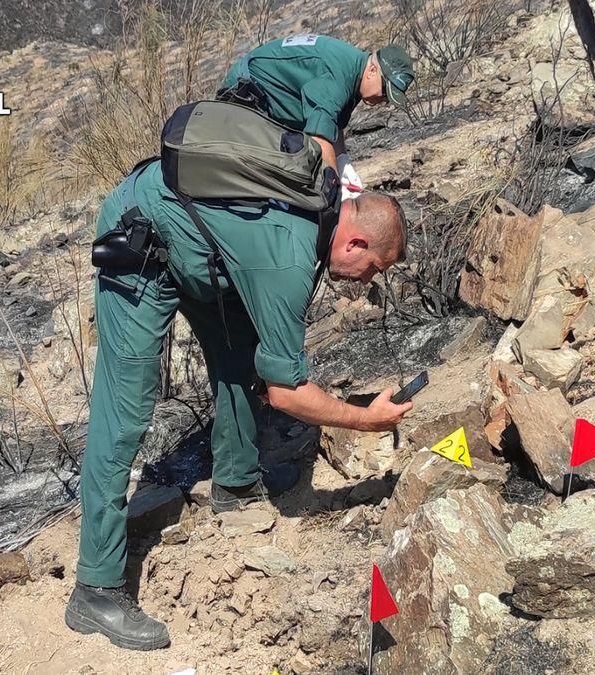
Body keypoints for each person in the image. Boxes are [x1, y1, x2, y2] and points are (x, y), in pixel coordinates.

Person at [64, 159, 413, 651]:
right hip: (141, 234)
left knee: (241, 349)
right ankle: (95, 588)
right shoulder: (290, 256)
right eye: (371, 268)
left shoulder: (322, 204)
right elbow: (286, 392)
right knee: (124, 413)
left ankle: (236, 482)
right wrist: (365, 420)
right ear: (355, 242)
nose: (363, 281)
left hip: (200, 248)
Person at [218, 34, 415, 179]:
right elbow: (319, 138)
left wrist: (343, 161)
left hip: (270, 105)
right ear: (373, 70)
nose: (384, 100)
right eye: (384, 90)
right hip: (245, 95)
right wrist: (336, 188)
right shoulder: (340, 76)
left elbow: (332, 126)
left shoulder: (356, 72)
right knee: (265, 180)